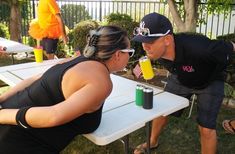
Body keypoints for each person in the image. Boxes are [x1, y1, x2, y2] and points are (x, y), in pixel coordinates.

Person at [0, 25, 135, 154]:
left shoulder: (75, 60)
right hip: (17, 141)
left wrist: (2, 100)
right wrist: (3, 115)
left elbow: (35, 79)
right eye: (130, 52)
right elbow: (53, 116)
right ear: (118, 54)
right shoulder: (102, 82)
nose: (130, 56)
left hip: (11, 117)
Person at [132, 12, 235, 154]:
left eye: (149, 42)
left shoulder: (200, 48)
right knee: (162, 111)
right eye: (143, 41)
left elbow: (229, 46)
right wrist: (142, 68)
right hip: (181, 78)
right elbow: (148, 58)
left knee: (206, 128)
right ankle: (152, 141)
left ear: (167, 39)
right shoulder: (158, 52)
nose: (144, 46)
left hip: (210, 81)